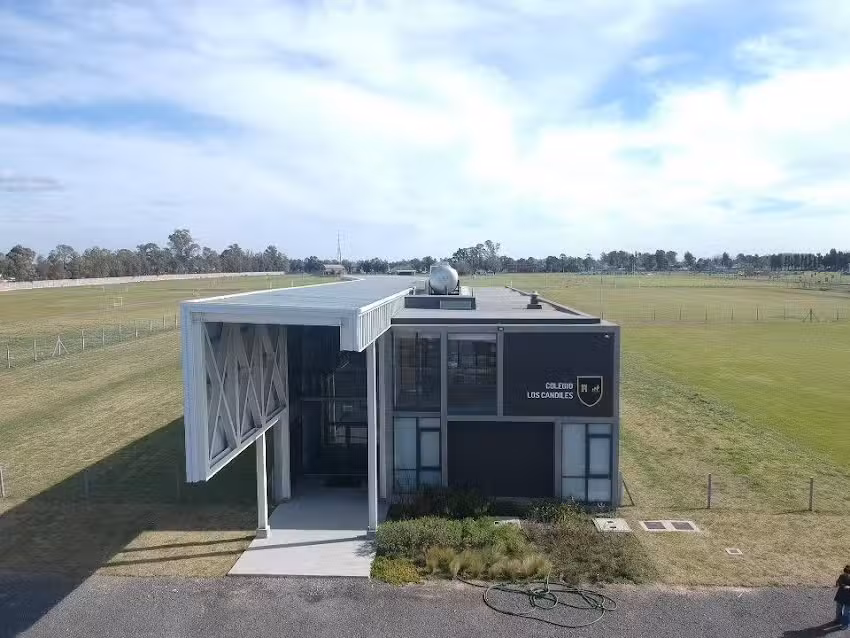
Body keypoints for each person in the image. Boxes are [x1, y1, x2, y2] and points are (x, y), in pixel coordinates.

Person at [836, 565, 850, 630]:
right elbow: (838, 582)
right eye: (845, 573)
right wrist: (838, 583)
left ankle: (845, 624)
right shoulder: (842, 576)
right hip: (841, 595)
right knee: (838, 608)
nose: (845, 574)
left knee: (846, 612)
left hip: (848, 598)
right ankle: (838, 620)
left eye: (847, 573)